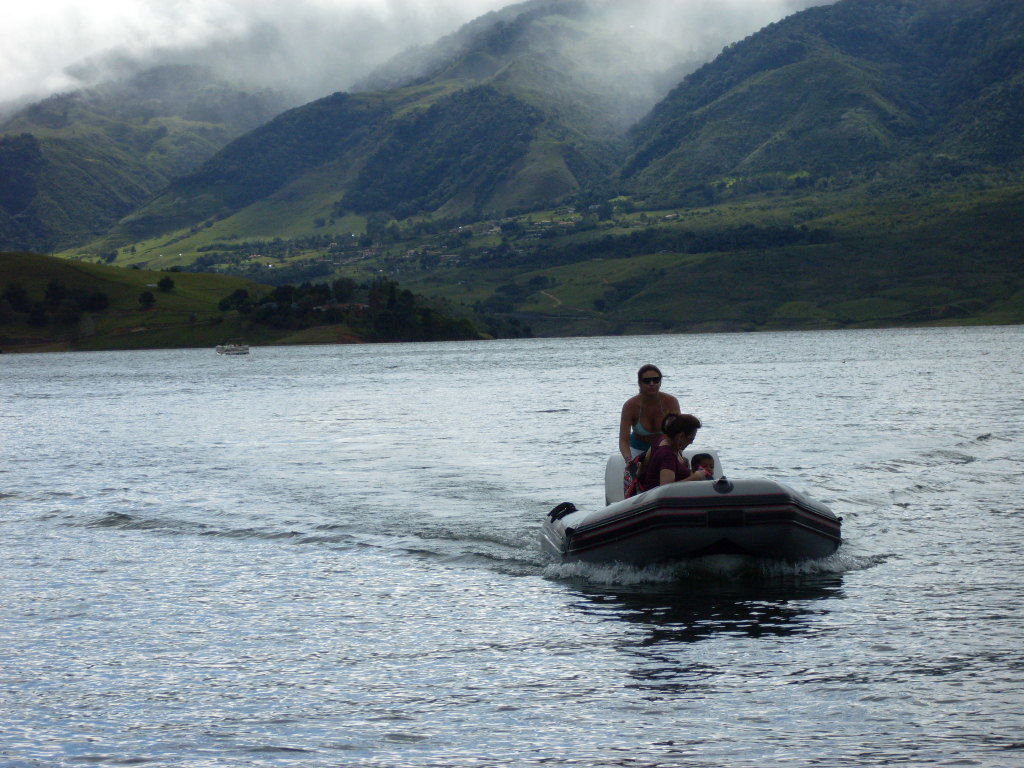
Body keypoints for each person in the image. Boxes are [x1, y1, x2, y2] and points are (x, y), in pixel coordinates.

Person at [625, 414, 708, 497]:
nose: (691, 442)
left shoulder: (662, 440)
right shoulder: (667, 455)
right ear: (681, 436)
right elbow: (666, 489)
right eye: (690, 439)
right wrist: (695, 478)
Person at [619, 364, 681, 461]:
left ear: (660, 382)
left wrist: (677, 453)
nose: (651, 384)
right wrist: (629, 460)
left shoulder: (671, 402)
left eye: (656, 380)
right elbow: (623, 440)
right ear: (639, 383)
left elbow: (679, 433)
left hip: (665, 449)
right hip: (638, 450)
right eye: (647, 381)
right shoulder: (630, 406)